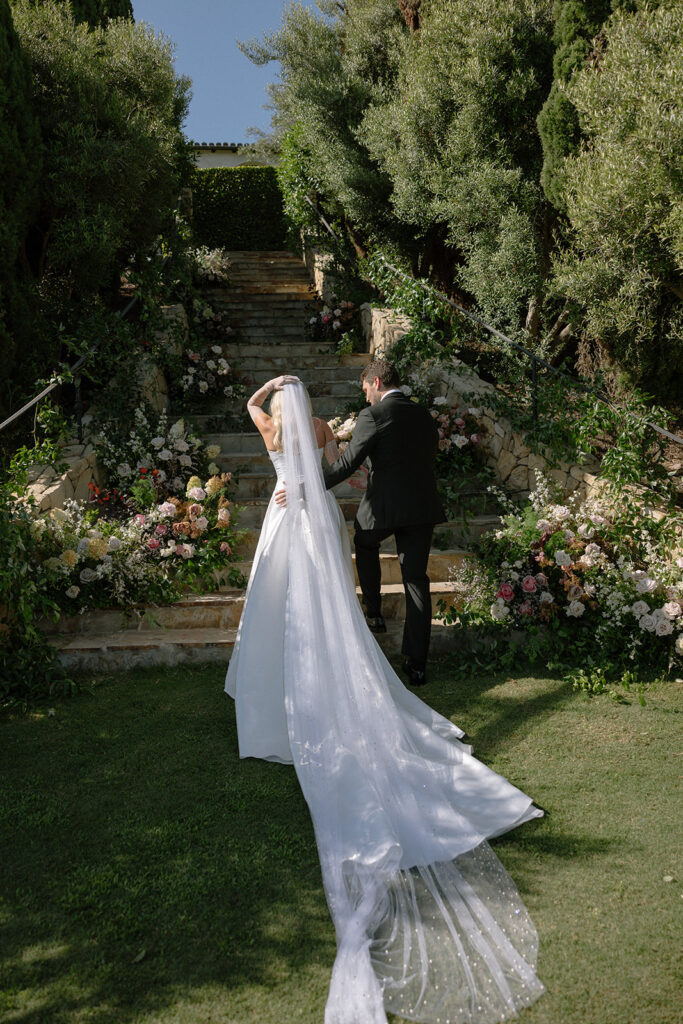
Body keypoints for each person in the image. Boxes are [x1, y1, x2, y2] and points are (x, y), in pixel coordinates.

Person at [225, 376, 545, 1024]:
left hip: (286, 517)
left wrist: (271, 391)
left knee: (278, 606)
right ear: (310, 406)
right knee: (350, 600)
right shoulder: (327, 430)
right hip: (329, 517)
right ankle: (402, 656)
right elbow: (335, 455)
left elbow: (256, 409)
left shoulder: (275, 428)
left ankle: (283, 683)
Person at [321, 358, 445, 686]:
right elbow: (429, 453)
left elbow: (348, 463)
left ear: (376, 383)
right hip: (421, 507)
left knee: (365, 541)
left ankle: (374, 611)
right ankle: (417, 664)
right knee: (416, 580)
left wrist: (309, 482)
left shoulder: (373, 415)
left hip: (384, 507)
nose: (364, 398)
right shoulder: (423, 414)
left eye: (365, 389)